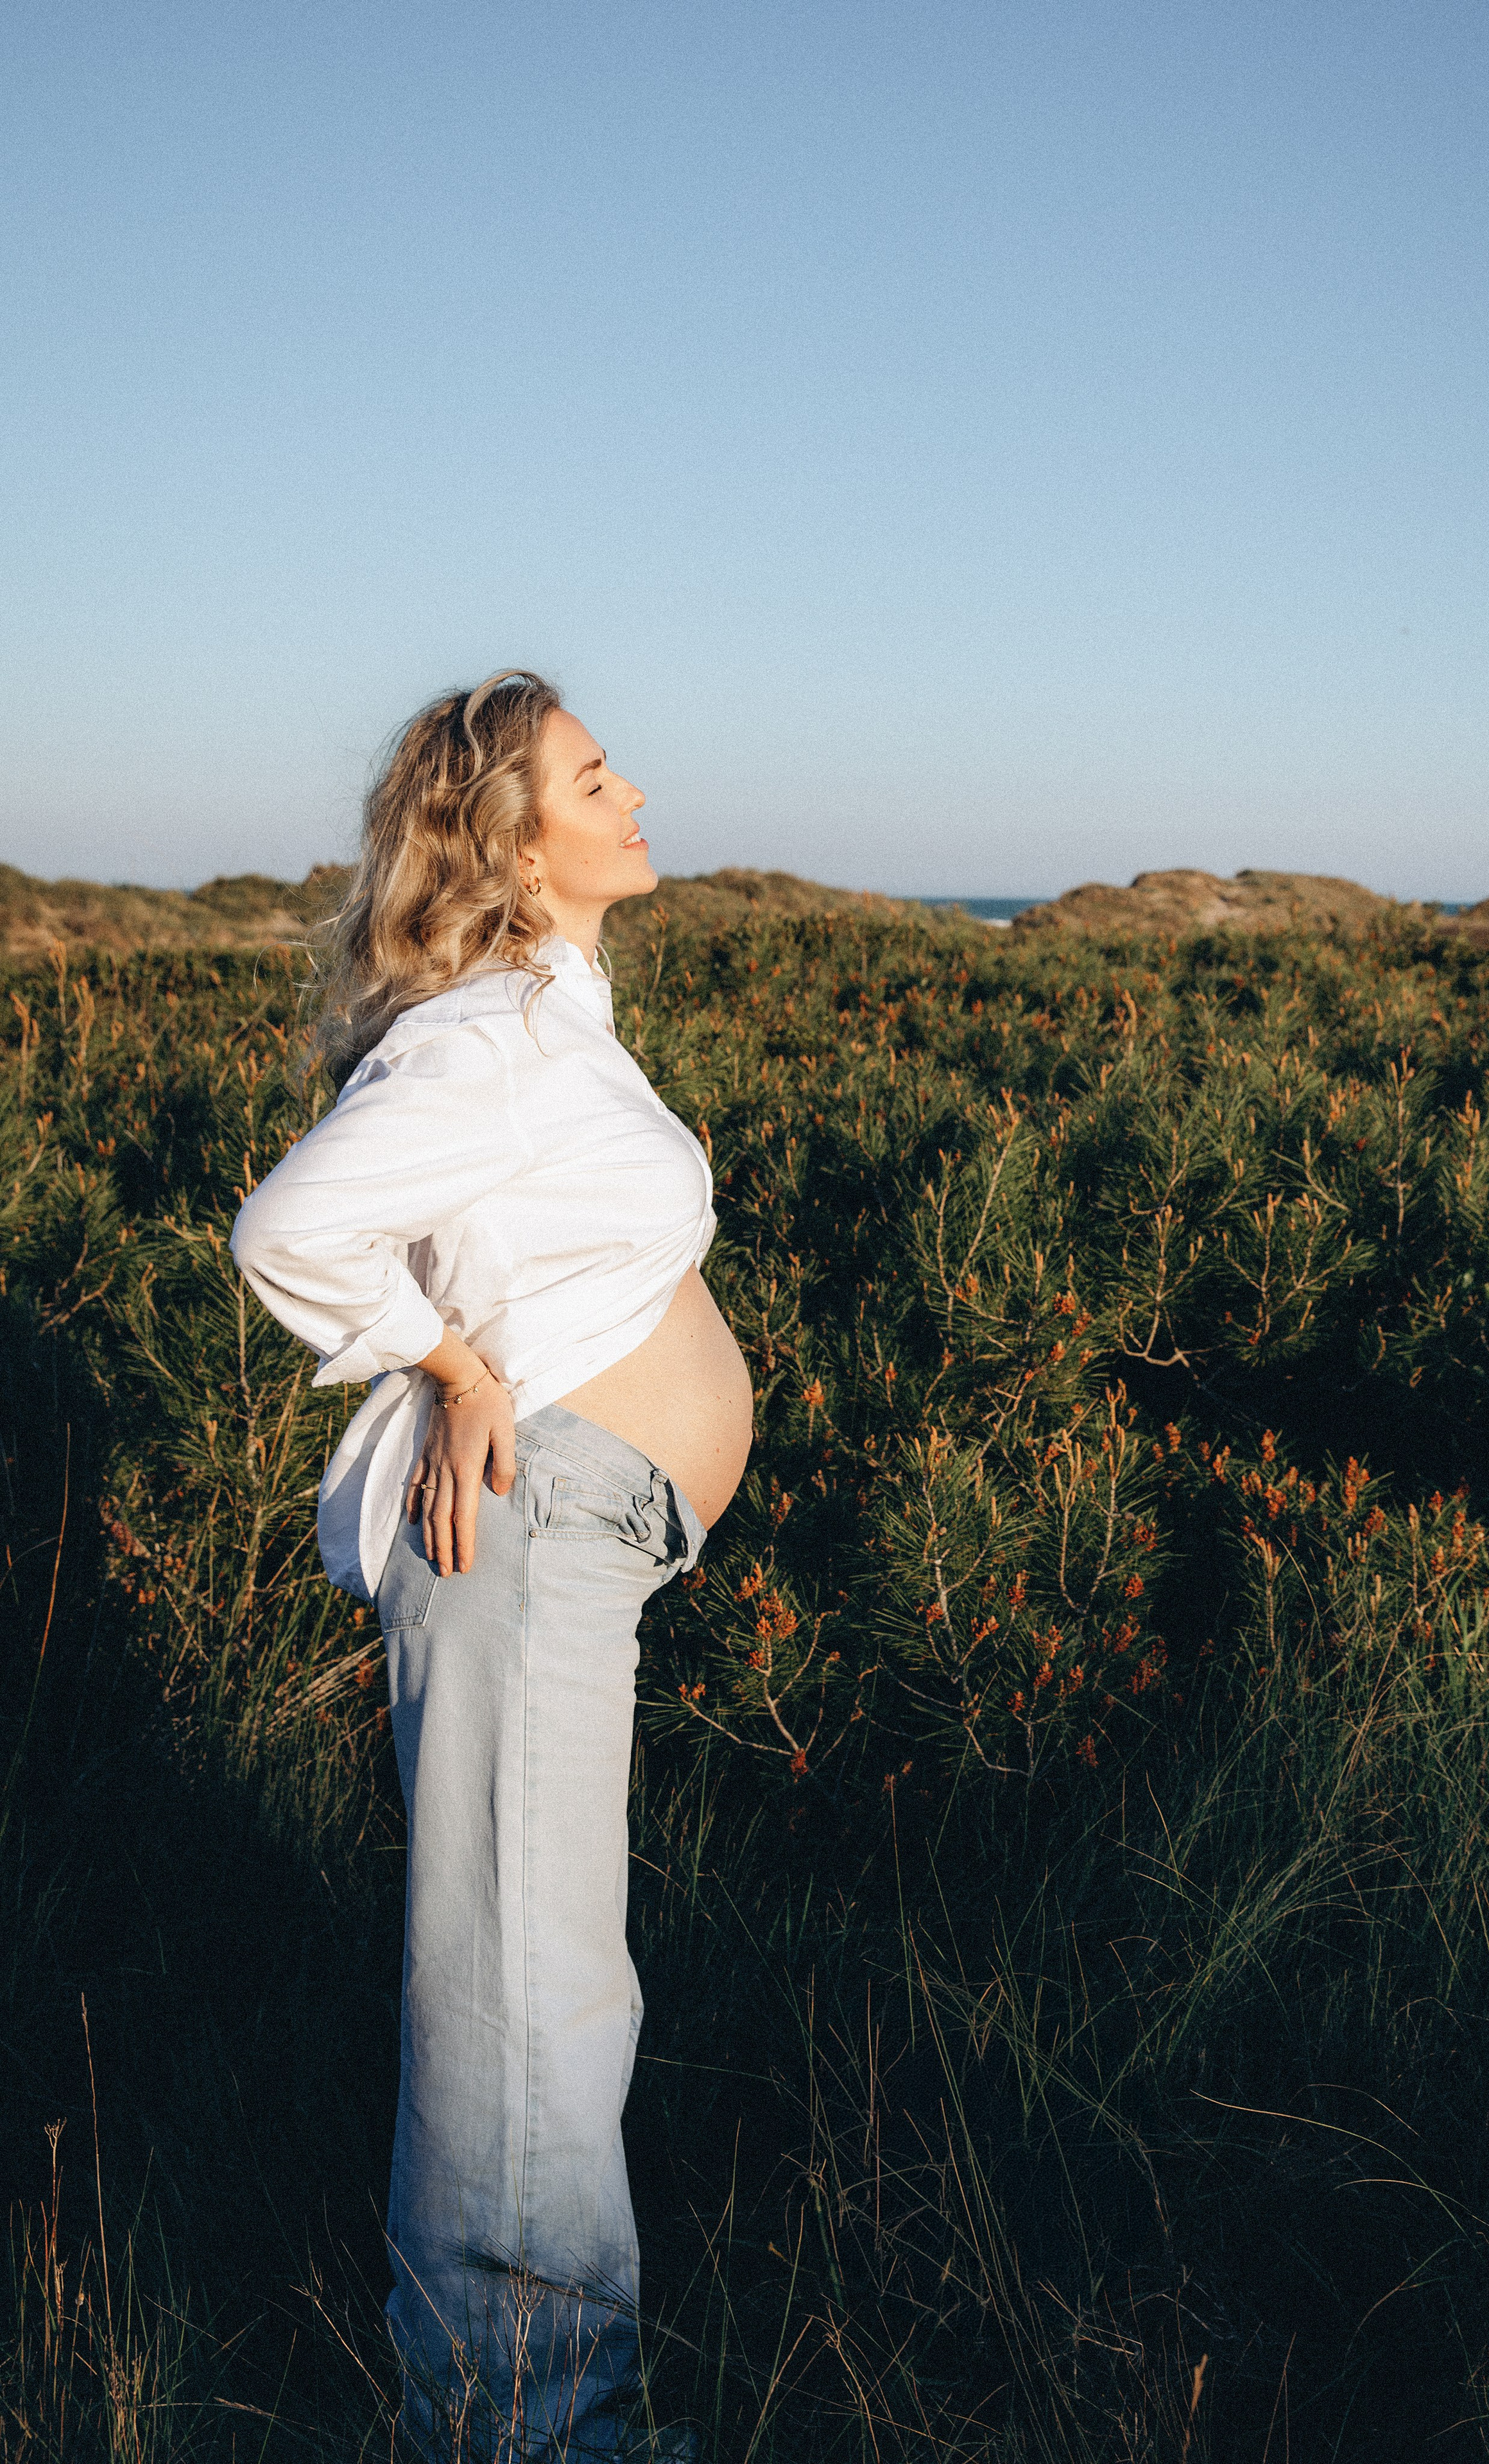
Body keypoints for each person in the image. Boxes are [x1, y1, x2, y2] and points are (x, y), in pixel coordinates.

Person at [230, 672, 753, 2460]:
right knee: (521, 2004)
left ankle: (531, 2418)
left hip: (569, 1548)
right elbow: (292, 1228)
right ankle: (528, 2436)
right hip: (520, 1541)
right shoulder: (490, 1036)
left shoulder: (550, 1014)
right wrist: (452, 1366)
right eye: (595, 779)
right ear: (521, 844)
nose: (635, 795)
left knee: (553, 1989)